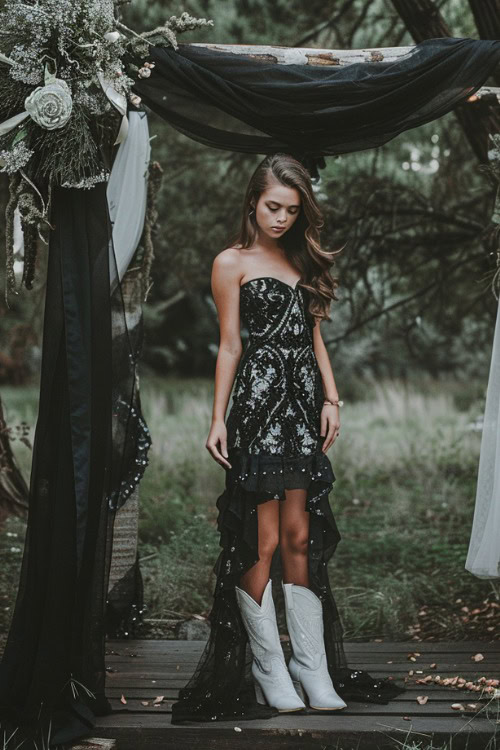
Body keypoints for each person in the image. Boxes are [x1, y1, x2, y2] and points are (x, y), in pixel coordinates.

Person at [171, 153, 405, 724]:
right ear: (253, 201)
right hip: (258, 405)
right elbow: (230, 345)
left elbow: (315, 338)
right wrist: (217, 417)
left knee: (301, 537)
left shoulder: (302, 257)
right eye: (273, 206)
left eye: (292, 210)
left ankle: (312, 667)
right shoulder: (231, 262)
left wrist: (332, 397)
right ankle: (268, 667)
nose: (281, 218)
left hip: (302, 406)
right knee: (264, 539)